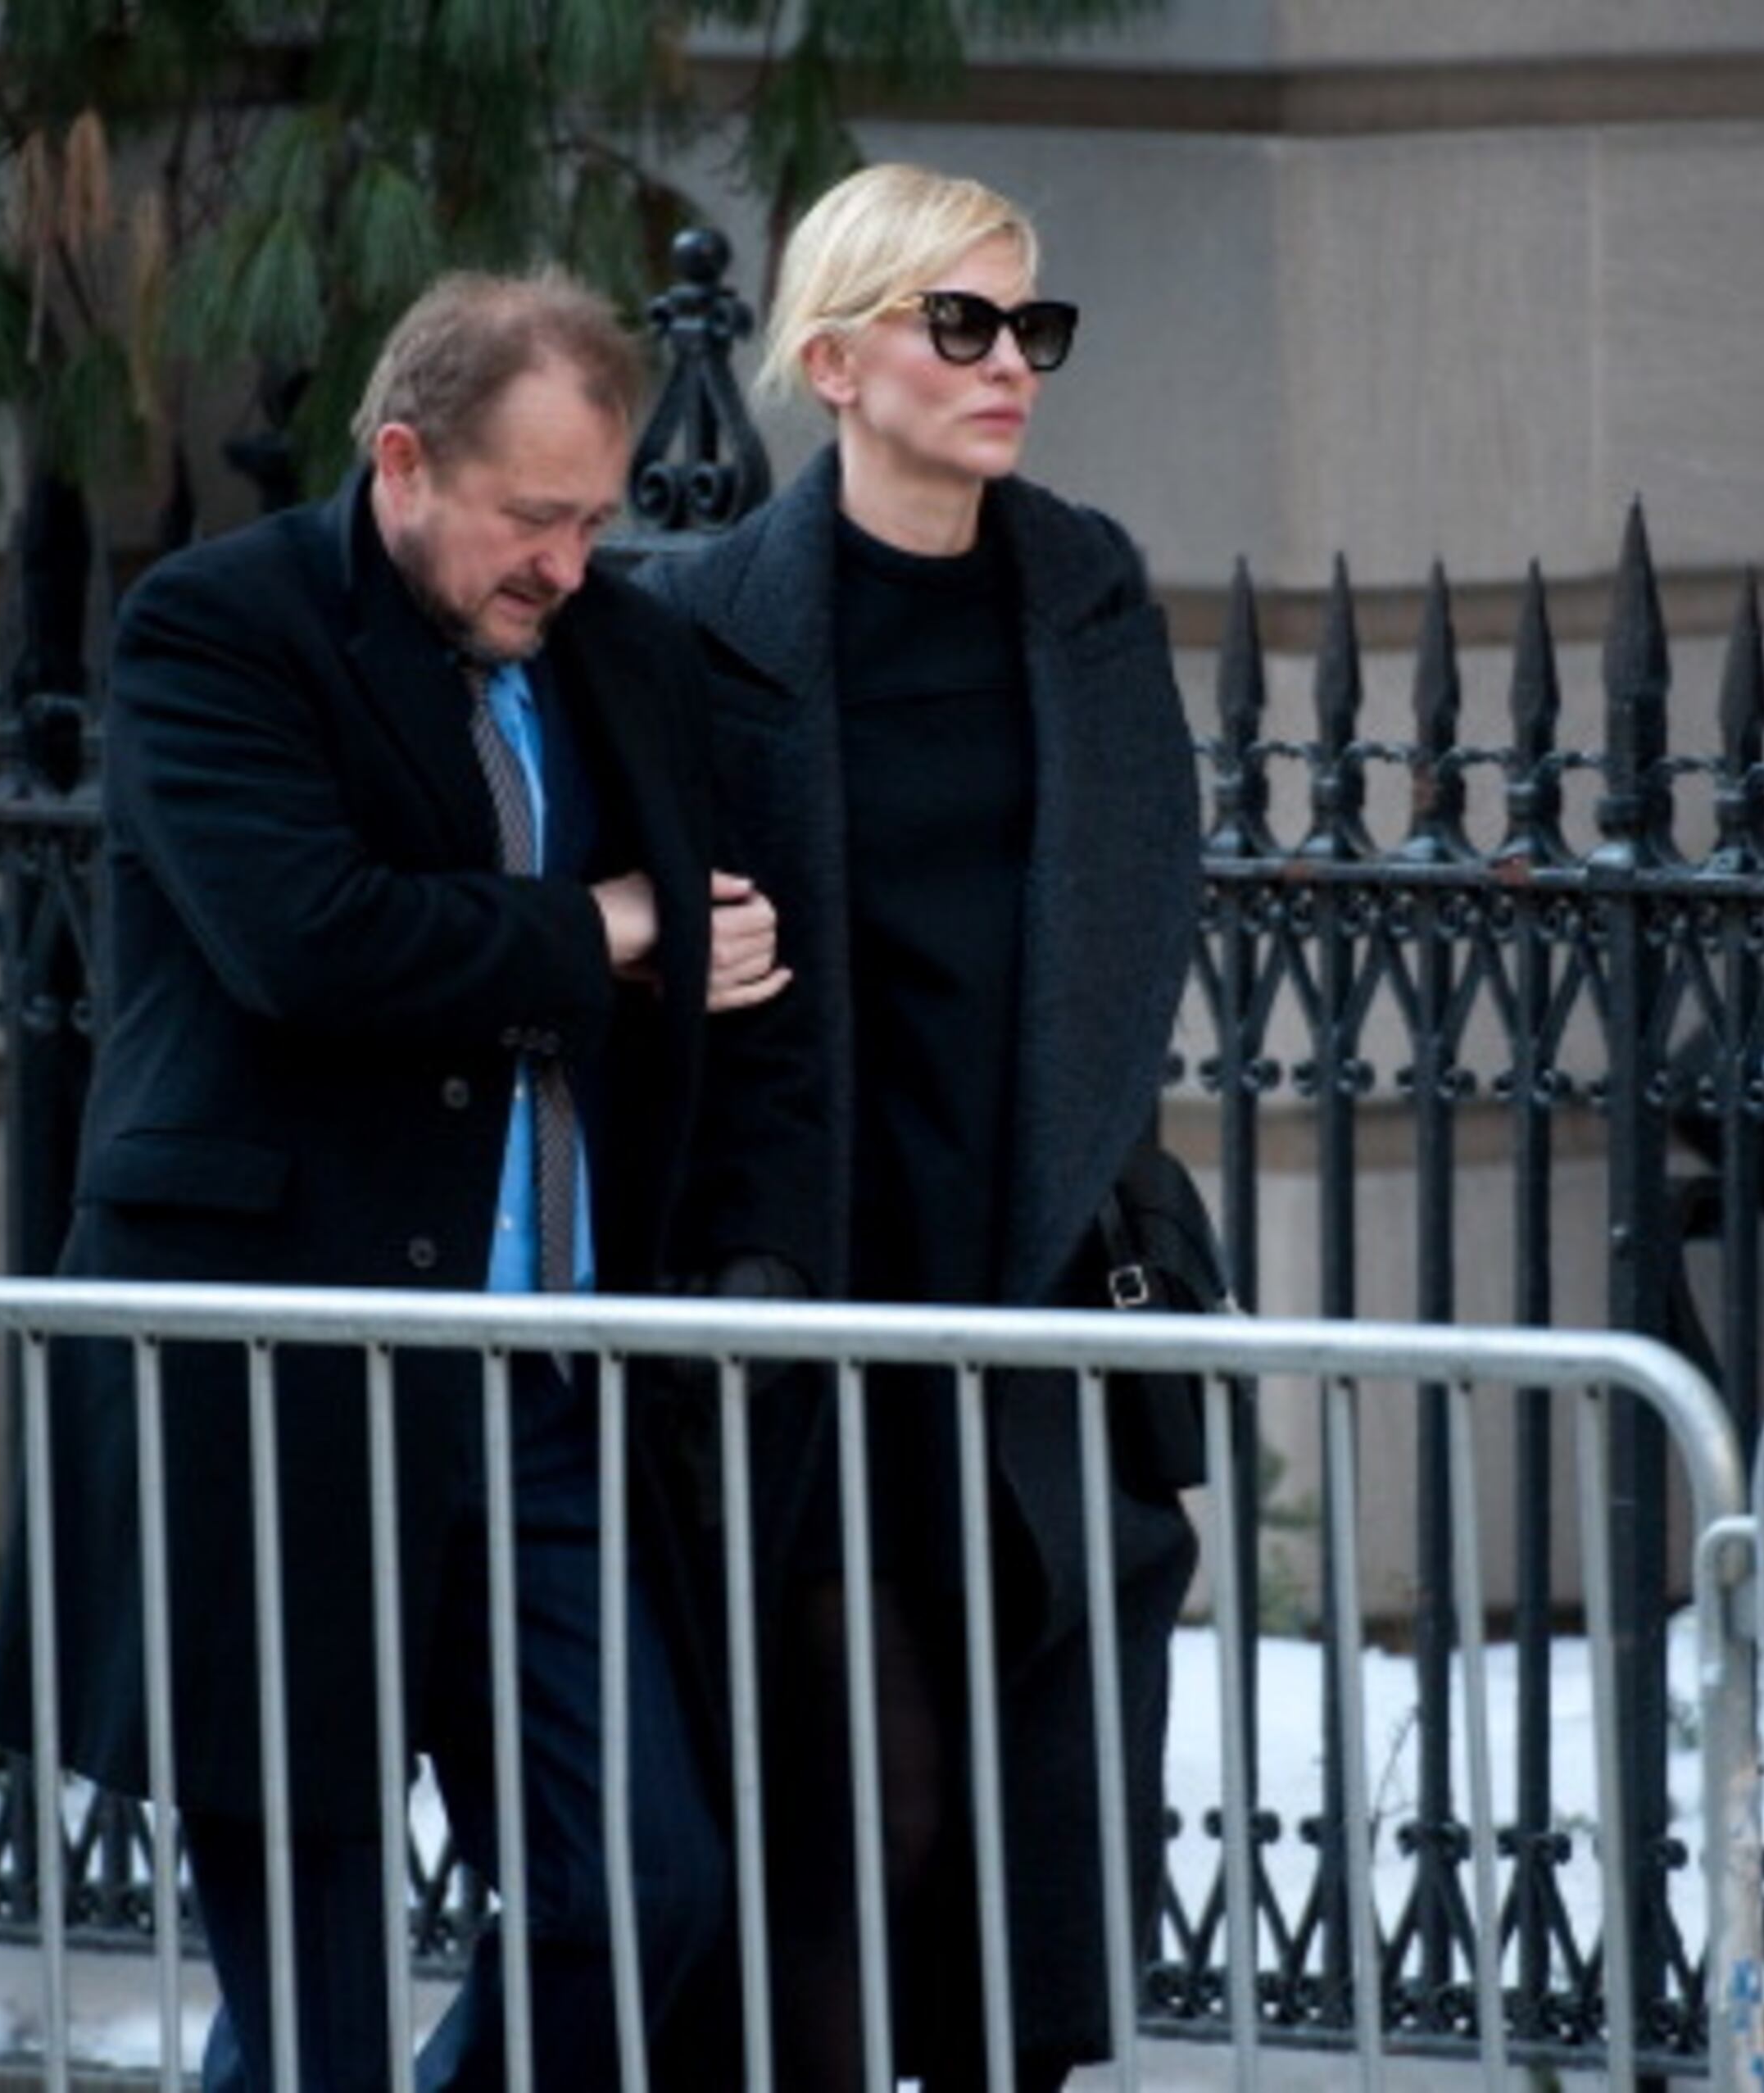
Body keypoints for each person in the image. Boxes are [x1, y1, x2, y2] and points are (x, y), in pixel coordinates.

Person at [0, 269, 814, 2093]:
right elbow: (308, 941)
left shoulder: (622, 655)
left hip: (542, 1389)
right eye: (534, 517)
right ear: (406, 461)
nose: (570, 564)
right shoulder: (219, 628)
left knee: (646, 1892)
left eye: (594, 520)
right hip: (278, 1385)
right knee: (317, 2000)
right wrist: (601, 930)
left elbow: (708, 978)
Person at [644, 163, 1207, 2091]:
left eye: (1028, 327)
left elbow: (1136, 929)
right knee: (858, 1827)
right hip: (816, 1322)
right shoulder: (711, 624)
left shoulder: (1086, 592)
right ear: (833, 358)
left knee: (1028, 1859)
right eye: (958, 326)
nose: (1007, 367)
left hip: (1036, 1301)